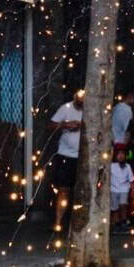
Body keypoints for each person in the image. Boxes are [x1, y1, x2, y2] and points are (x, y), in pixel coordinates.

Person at [48, 90, 84, 235]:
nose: (81, 102)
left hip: (82, 156)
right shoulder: (66, 108)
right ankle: (58, 222)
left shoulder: (90, 110)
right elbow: (51, 125)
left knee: (81, 191)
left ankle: (79, 224)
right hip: (65, 155)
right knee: (63, 189)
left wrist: (81, 125)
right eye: (79, 99)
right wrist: (65, 125)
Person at [110, 147, 134, 235]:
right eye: (119, 154)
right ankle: (116, 224)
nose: (121, 156)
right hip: (113, 189)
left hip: (124, 189)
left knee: (123, 205)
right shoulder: (111, 166)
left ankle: (123, 222)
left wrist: (132, 190)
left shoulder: (127, 166)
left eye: (122, 154)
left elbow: (131, 180)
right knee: (115, 208)